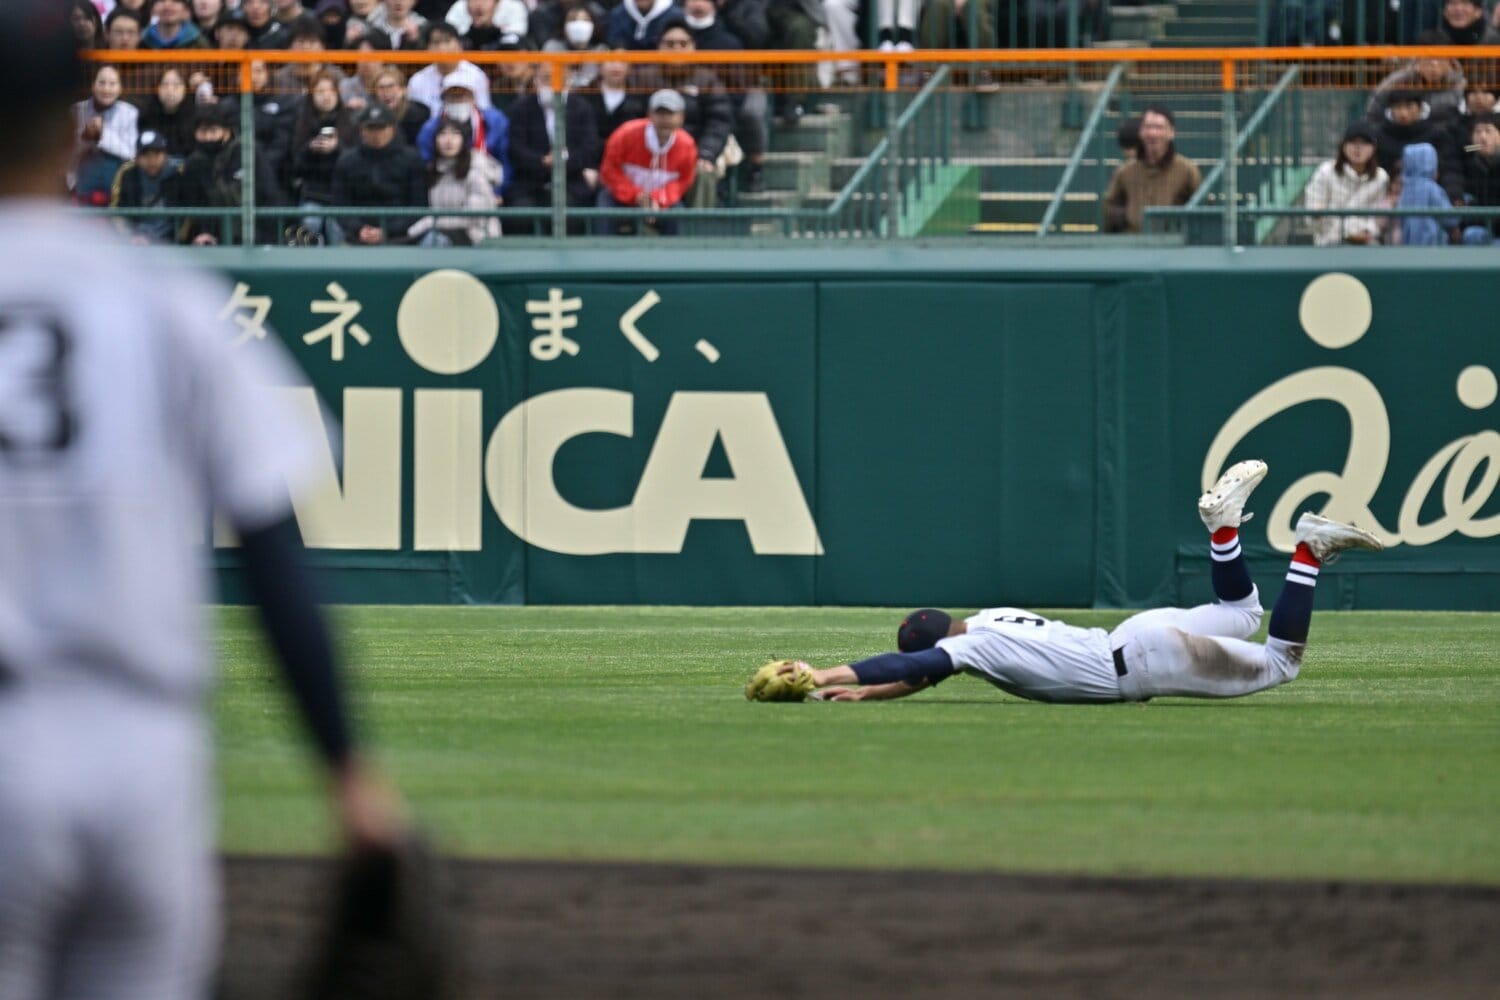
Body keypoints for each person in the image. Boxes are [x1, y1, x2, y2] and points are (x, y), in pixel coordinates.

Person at [0, 5, 407, 997]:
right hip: (144, 758)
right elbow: (274, 554)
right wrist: (348, 770)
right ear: (75, 128)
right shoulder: (167, 304)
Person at [766, 461, 1385, 705]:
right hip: (1133, 634)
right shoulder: (988, 619)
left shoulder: (970, 650)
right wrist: (869, 696)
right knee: (1242, 608)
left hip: (1142, 662)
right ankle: (1224, 529)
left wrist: (824, 675)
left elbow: (921, 665)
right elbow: (922, 669)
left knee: (1281, 664)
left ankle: (1308, 548)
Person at [633, 22, 733, 208]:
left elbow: (719, 121)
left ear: (694, 47)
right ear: (658, 47)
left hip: (694, 153)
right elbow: (632, 120)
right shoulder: (642, 77)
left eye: (683, 44)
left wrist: (706, 153)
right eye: (670, 44)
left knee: (703, 174)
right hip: (649, 154)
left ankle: (697, 231)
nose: (677, 49)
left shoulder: (708, 79)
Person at [175, 101, 288, 244]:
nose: (208, 137)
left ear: (227, 131)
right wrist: (200, 234)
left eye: (213, 131)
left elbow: (268, 195)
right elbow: (191, 205)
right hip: (210, 240)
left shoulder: (248, 153)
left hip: (252, 235)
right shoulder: (193, 164)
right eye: (203, 132)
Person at [505, 62, 600, 230]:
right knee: (520, 215)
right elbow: (515, 148)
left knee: (571, 217)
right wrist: (542, 161)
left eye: (560, 79)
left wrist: (563, 160)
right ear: (535, 80)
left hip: (571, 181)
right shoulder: (520, 108)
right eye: (547, 78)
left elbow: (590, 148)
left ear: (569, 81)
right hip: (529, 183)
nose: (554, 85)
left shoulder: (582, 108)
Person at [596, 88, 699, 234]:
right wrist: (636, 196)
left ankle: (676, 256)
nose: (665, 119)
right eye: (660, 113)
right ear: (649, 114)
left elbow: (683, 181)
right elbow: (610, 171)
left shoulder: (687, 145)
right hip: (621, 197)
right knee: (605, 209)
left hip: (662, 201)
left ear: (681, 117)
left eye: (671, 114)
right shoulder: (625, 134)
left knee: (678, 215)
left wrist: (658, 199)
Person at [331, 102, 432, 243]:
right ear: (362, 130)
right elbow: (340, 204)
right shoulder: (347, 160)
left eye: (381, 128)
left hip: (401, 235)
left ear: (392, 129)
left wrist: (387, 230)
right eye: (371, 128)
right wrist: (358, 228)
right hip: (357, 234)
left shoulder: (411, 159)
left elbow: (418, 206)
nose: (377, 134)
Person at [1102, 104, 1201, 234]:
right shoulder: (1124, 172)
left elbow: (1201, 211)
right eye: (1148, 127)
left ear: (1171, 133)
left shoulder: (1188, 171)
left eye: (1159, 127)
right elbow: (1109, 206)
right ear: (1141, 132)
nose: (1152, 133)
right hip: (1133, 245)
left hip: (1174, 246)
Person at [289, 69, 358, 243]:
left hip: (343, 195)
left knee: (337, 228)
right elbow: (294, 167)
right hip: (312, 194)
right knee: (310, 223)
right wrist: (310, 149)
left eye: (331, 91)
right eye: (320, 91)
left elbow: (358, 163)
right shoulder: (300, 122)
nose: (326, 96)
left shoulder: (351, 121)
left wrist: (338, 148)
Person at [409, 118, 503, 244]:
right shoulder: (435, 171)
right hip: (443, 232)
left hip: (477, 236)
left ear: (464, 140)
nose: (448, 140)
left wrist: (431, 222)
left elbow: (473, 216)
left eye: (455, 134)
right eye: (442, 134)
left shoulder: (476, 171)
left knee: (434, 241)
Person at [416, 75, 511, 197]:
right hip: (445, 186)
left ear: (473, 98)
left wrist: (498, 192)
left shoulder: (495, 121)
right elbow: (426, 162)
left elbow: (505, 160)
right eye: (452, 97)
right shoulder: (430, 128)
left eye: (462, 96)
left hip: (486, 184)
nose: (457, 101)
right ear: (444, 100)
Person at [1304, 121, 1390, 246]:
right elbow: (1312, 215)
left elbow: (1380, 216)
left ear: (1373, 148)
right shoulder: (1326, 172)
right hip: (1330, 241)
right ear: (1343, 146)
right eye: (1353, 142)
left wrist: (1367, 231)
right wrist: (1317, 214)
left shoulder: (1381, 177)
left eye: (1365, 142)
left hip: (1366, 242)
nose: (1358, 147)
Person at [1369, 90, 1464, 202]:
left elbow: (1450, 169)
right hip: (1384, 197)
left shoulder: (1438, 135)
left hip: (1429, 198)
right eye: (1398, 107)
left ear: (1420, 108)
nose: (1403, 113)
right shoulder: (1378, 136)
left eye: (1409, 107)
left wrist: (1453, 195)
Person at [73, 64, 139, 206]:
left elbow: (131, 153)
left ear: (120, 88)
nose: (106, 89)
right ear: (93, 86)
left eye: (112, 84)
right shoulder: (78, 109)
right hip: (82, 179)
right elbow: (67, 152)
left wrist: (103, 134)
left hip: (115, 180)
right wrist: (85, 136)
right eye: (101, 83)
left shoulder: (129, 112)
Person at [110, 128, 182, 243]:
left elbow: (188, 212)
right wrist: (130, 237)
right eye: (145, 155)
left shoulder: (178, 174)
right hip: (136, 242)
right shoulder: (127, 174)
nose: (152, 160)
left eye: (157, 154)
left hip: (170, 242)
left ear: (165, 155)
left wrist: (178, 238)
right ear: (137, 158)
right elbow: (117, 211)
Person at [407, 21, 494, 113]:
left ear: (459, 45)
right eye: (436, 43)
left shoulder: (476, 76)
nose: (442, 48)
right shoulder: (417, 80)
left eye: (447, 41)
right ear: (428, 49)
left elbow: (484, 112)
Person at [583, 51, 645, 151]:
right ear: (600, 67)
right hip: (590, 157)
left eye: (622, 61)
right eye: (611, 60)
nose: (616, 66)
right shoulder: (584, 95)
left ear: (629, 68)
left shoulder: (640, 99)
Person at [135, 67, 199, 159]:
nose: (170, 90)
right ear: (158, 89)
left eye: (176, 85)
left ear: (185, 89)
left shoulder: (194, 115)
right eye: (165, 85)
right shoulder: (147, 115)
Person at [541, 6, 609, 88]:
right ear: (564, 26)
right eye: (573, 20)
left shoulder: (601, 50)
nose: (579, 25)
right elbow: (545, 79)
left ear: (593, 25)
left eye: (585, 20)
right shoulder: (552, 48)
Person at [1460, 112, 1500, 243]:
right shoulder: (1466, 165)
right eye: (1478, 132)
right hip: (1482, 228)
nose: (1482, 137)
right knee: (1472, 235)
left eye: (1488, 131)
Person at [372, 66, 434, 146]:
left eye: (391, 87)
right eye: (381, 88)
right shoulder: (370, 117)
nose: (386, 93)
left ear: (404, 90)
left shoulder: (419, 115)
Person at [606, 0, 679, 48]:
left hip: (662, 67)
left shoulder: (674, 16)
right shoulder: (618, 14)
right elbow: (613, 44)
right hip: (625, 66)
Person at [141, 0, 210, 48]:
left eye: (175, 1)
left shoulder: (200, 43)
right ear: (152, 9)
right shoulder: (141, 41)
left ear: (186, 10)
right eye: (161, 0)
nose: (167, 6)